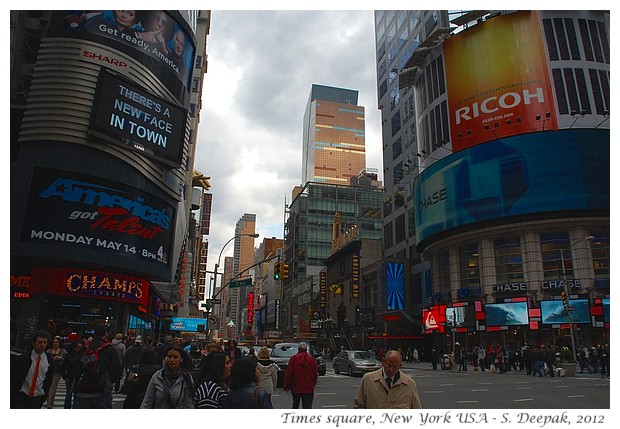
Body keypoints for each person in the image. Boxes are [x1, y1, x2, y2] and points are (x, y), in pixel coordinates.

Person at [74, 323, 122, 408]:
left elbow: (76, 364)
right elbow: (117, 368)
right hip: (102, 387)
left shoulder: (86, 347)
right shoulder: (108, 348)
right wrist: (112, 381)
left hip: (82, 386)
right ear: (106, 334)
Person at [354, 349, 422, 409]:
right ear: (383, 362)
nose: (391, 369)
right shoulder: (368, 379)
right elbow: (359, 406)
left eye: (394, 367)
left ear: (400, 366)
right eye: (388, 365)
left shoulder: (409, 384)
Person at [11, 330, 56, 409]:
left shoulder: (49, 360)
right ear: (33, 343)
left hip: (37, 398)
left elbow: (48, 379)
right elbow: (13, 377)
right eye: (40, 342)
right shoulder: (23, 359)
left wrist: (44, 396)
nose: (42, 345)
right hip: (21, 396)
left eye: (45, 342)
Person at [283, 342, 318, 409]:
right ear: (306, 350)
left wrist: (286, 386)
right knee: (307, 407)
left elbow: (288, 374)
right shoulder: (312, 360)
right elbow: (315, 374)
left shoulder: (294, 359)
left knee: (295, 405)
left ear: (298, 349)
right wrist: (312, 384)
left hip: (296, 386)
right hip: (308, 387)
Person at [44, 336, 67, 408]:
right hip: (49, 370)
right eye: (54, 342)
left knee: (53, 388)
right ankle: (48, 401)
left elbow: (67, 360)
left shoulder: (63, 351)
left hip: (58, 371)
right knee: (47, 386)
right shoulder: (48, 351)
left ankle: (50, 404)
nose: (55, 344)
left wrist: (61, 358)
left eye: (57, 342)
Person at [62, 335, 83, 408]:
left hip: (78, 377)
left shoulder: (81, 356)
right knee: (69, 393)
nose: (79, 349)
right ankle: (67, 407)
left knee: (76, 394)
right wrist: (64, 376)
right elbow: (63, 366)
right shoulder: (69, 356)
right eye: (78, 347)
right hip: (70, 376)